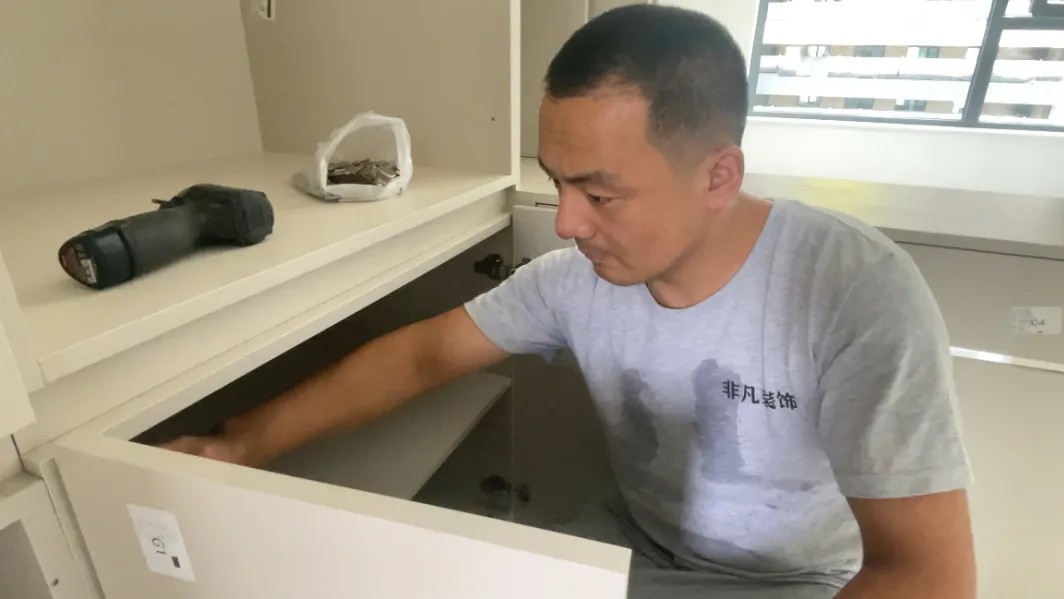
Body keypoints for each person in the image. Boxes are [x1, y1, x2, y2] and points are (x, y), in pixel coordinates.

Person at [164, 5, 976, 598]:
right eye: (558, 182)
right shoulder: (576, 279)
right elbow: (421, 355)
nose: (566, 222)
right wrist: (239, 442)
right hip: (624, 552)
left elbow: (928, 574)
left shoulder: (853, 293)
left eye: (600, 193)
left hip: (793, 584)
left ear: (718, 175)